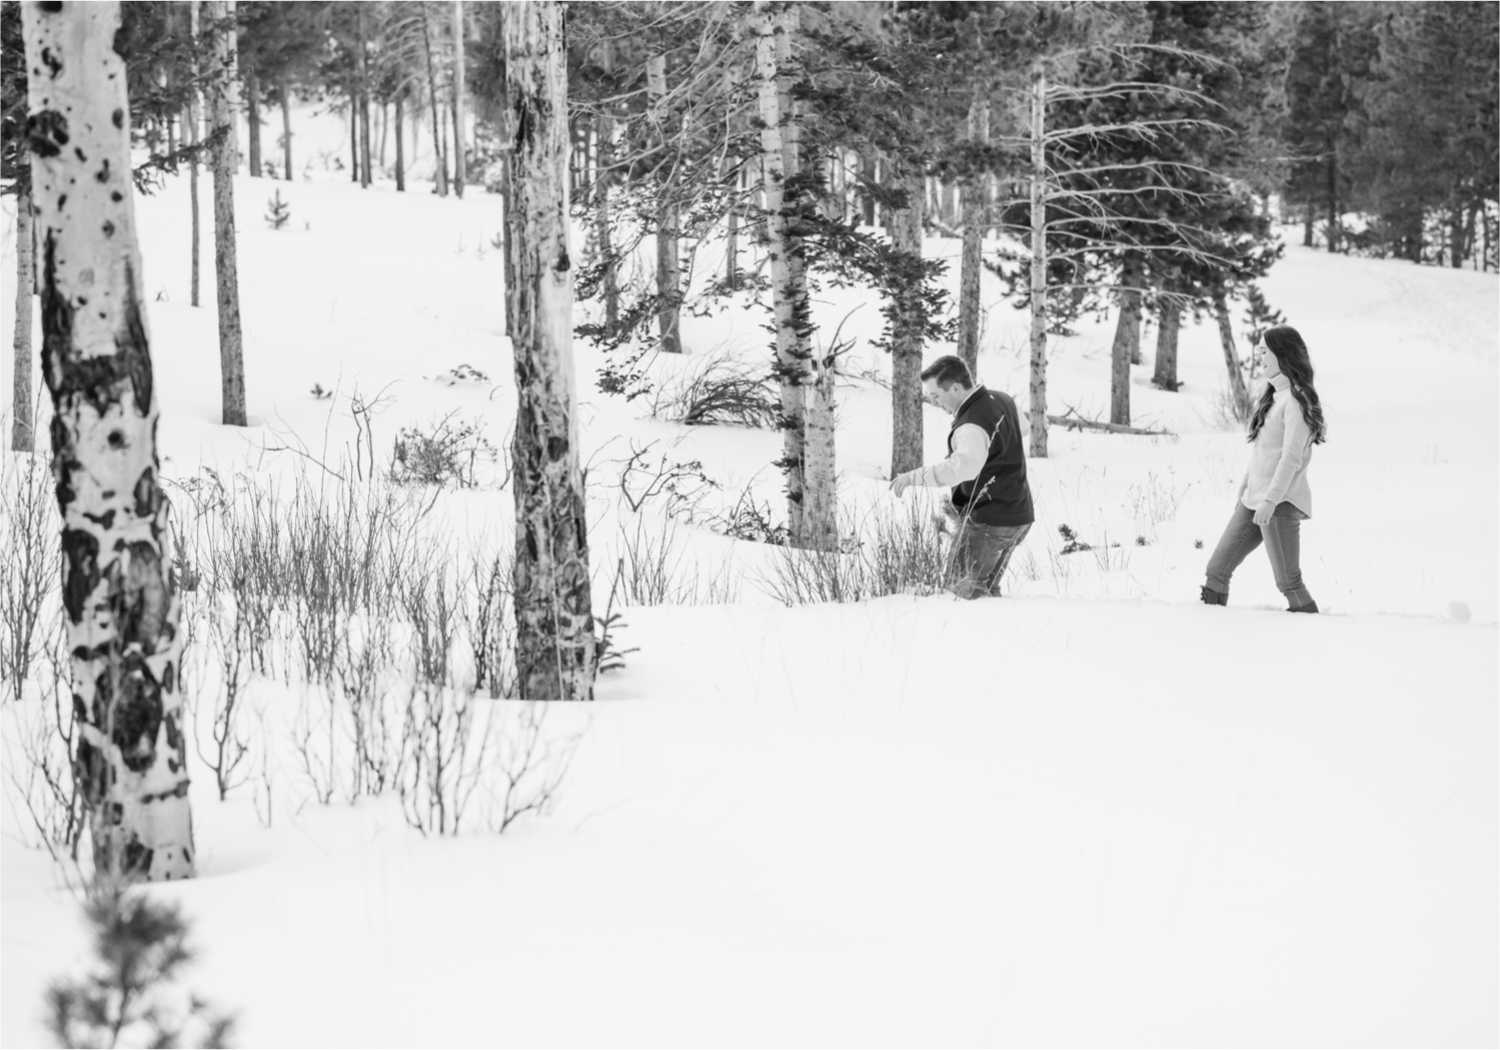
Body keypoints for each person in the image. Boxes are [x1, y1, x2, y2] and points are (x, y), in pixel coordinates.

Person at [1201, 324, 1327, 613]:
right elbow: (1262, 453)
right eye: (1258, 350)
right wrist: (1244, 489)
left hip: (1279, 502)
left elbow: (1290, 458)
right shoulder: (1274, 396)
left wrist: (1270, 501)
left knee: (1288, 582)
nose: (1258, 356)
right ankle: (1209, 625)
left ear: (1282, 354)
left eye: (1263, 350)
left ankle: (1310, 629)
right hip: (1254, 501)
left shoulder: (1296, 401)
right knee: (1216, 570)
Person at [890, 355, 1035, 599]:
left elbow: (963, 468)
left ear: (956, 388)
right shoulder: (1003, 400)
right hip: (1018, 517)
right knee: (985, 592)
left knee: (962, 594)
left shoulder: (971, 424)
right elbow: (1024, 428)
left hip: (990, 521)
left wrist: (915, 476)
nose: (935, 403)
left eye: (936, 396)